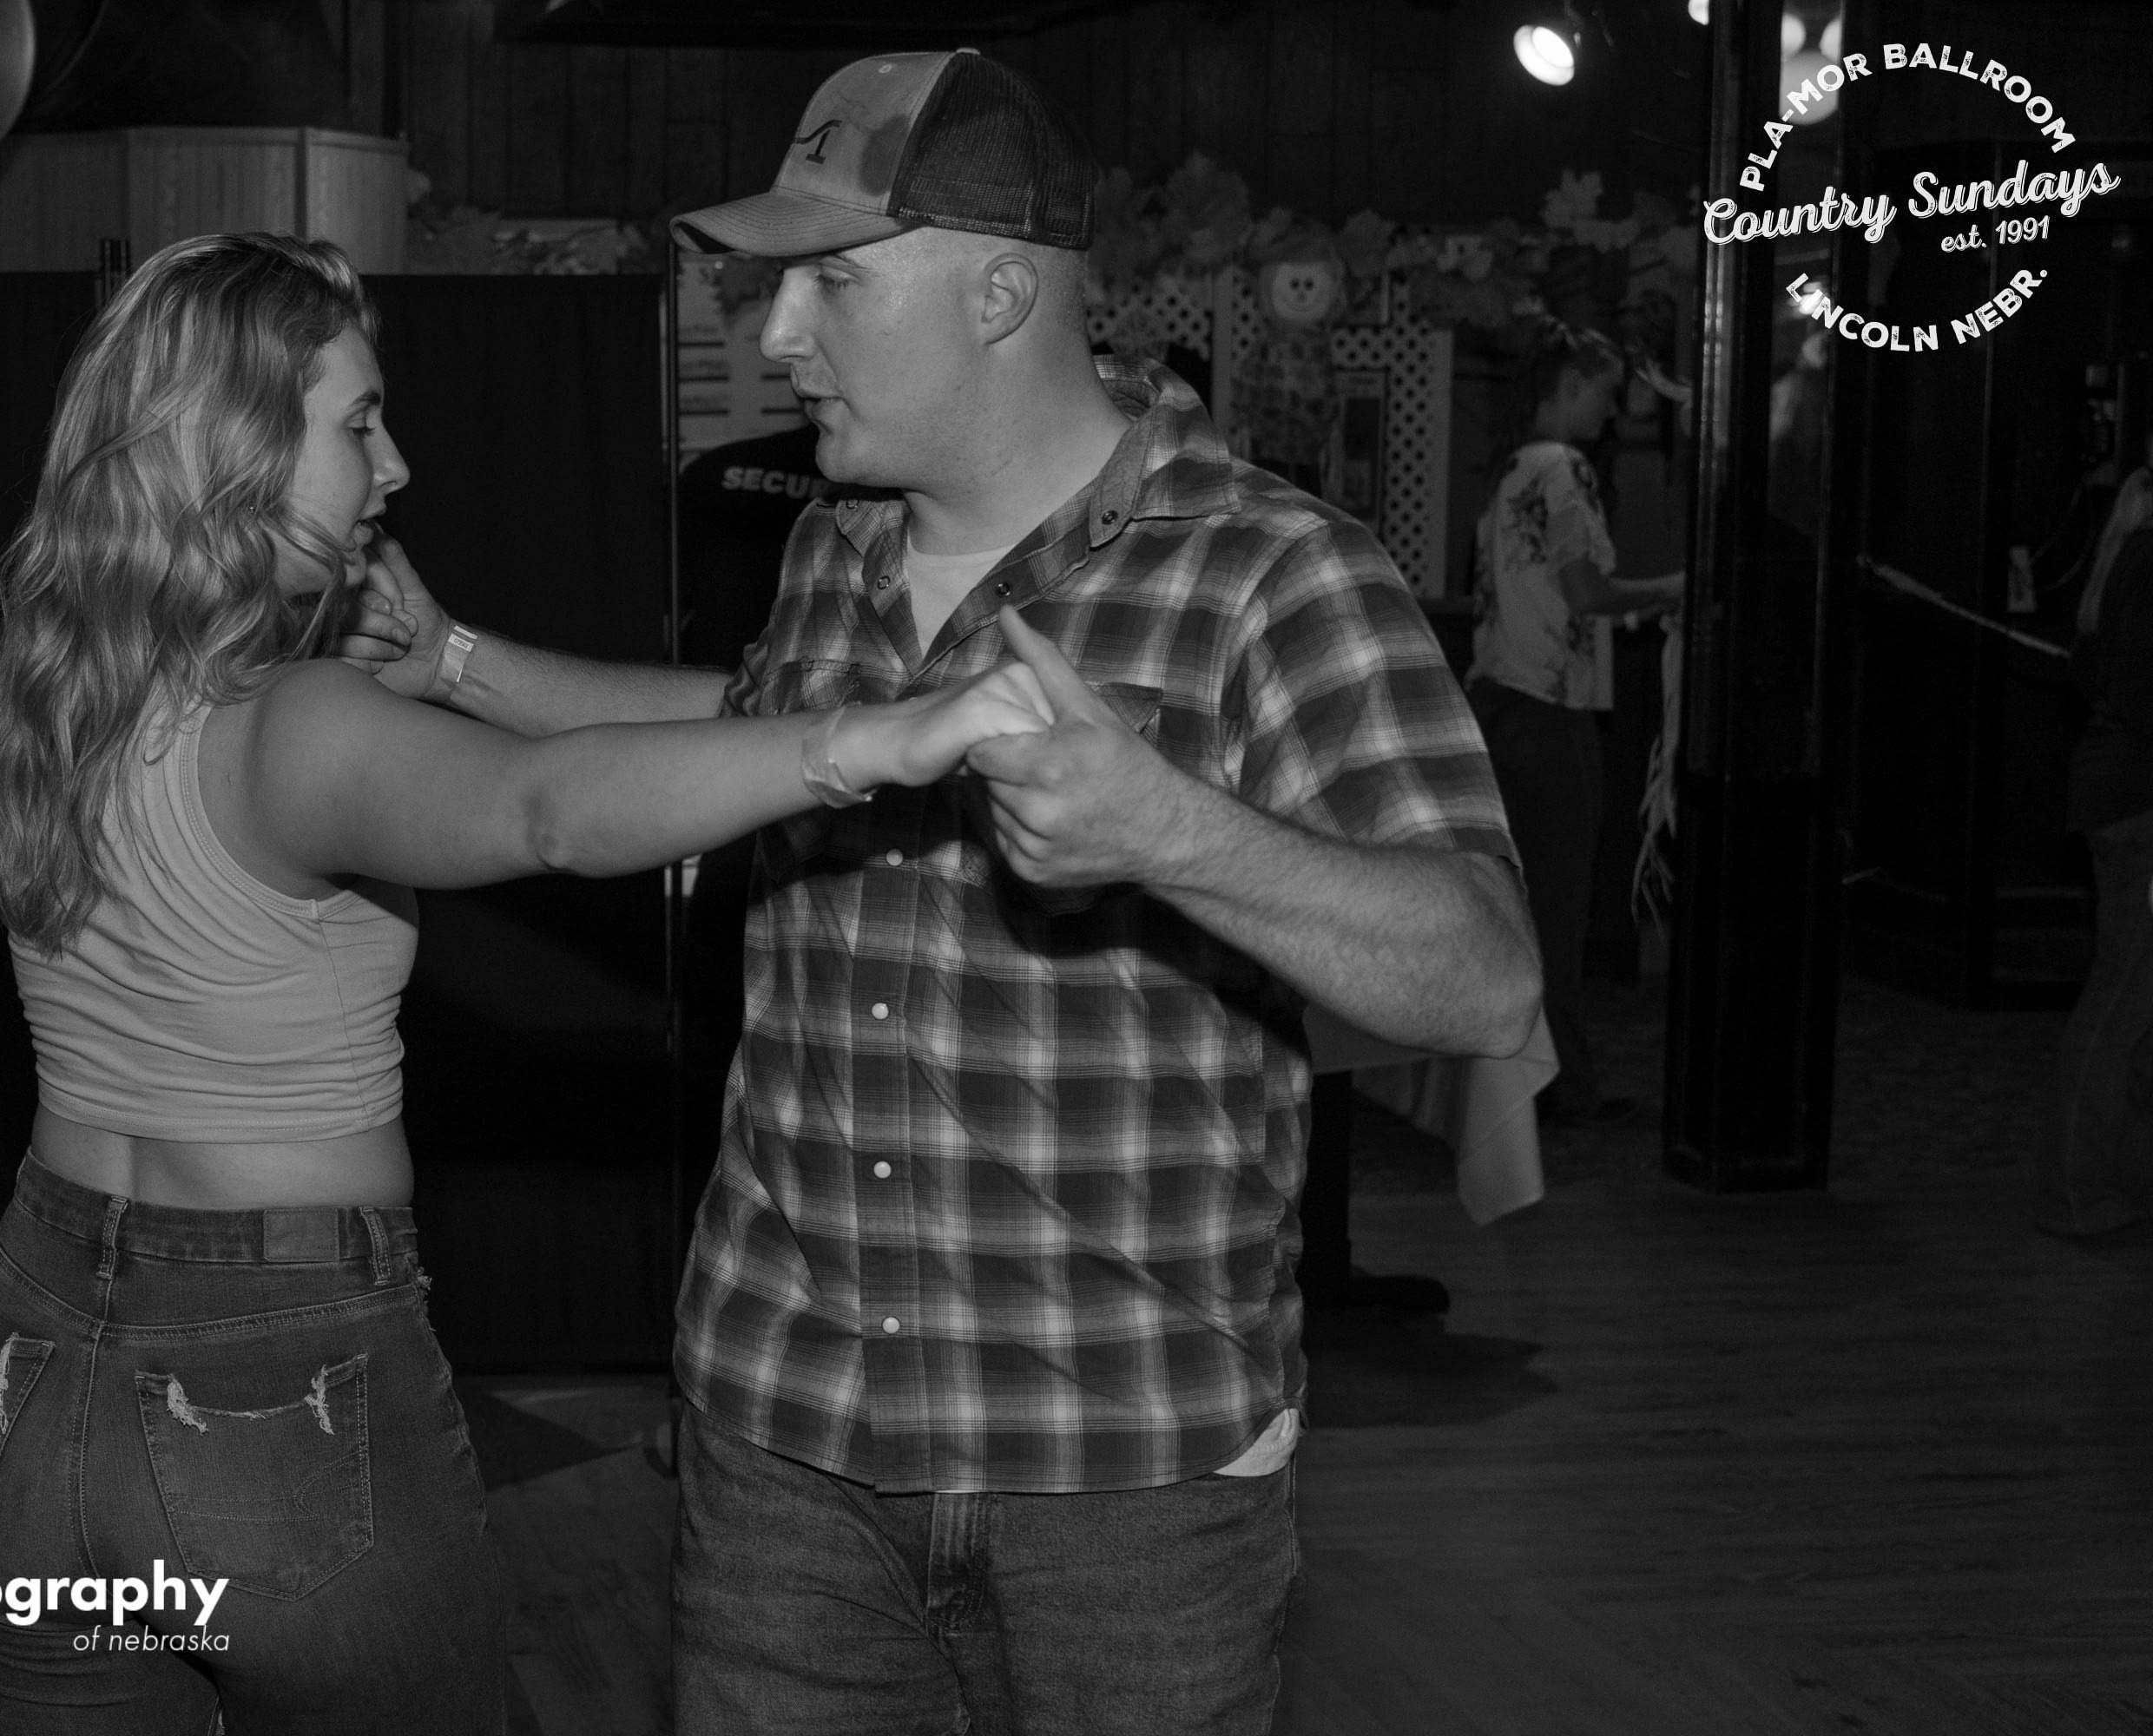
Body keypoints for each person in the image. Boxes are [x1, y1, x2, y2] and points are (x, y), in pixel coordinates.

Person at [348, 49, 1541, 1733]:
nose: (778, 332)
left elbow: (1486, 978)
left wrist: (1172, 832)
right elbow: (749, 739)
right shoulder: (833, 545)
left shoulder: (1274, 572)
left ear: (999, 294)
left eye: (832, 280)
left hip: (1125, 1485)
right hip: (786, 1447)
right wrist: (458, 662)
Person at [0, 231, 1048, 1736]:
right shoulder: (295, 724)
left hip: (27, 1344)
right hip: (270, 1365)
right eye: (357, 423)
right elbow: (551, 812)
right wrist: (874, 741)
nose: (393, 469)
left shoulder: (34, 706)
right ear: (235, 452)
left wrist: (447, 657)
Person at [1464, 322, 1684, 1126]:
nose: (1612, 409)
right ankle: (1562, 1084)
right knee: (1556, 911)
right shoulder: (1564, 469)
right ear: (1569, 385)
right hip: (1551, 716)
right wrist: (1673, 587)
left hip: (1498, 703)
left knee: (1512, 909)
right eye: (1604, 391)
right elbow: (1587, 592)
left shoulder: (1511, 469)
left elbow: (1546, 600)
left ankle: (1515, 1079)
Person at [2040, 448, 2153, 1234]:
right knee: (2124, 998)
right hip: (2140, 804)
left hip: (2121, 798)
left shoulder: (2128, 549)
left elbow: (2091, 673)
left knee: (2136, 999)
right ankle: (2079, 1193)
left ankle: (2117, 1181)